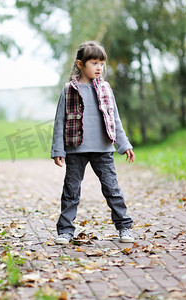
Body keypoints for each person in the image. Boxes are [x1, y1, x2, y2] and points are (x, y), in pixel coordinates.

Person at [51, 41, 135, 245]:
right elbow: (59, 121)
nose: (99, 67)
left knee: (112, 189)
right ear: (80, 64)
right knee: (71, 191)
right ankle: (65, 231)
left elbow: (115, 119)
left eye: (101, 63)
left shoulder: (106, 89)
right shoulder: (69, 90)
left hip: (103, 149)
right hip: (76, 149)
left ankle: (124, 227)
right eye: (94, 63)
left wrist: (124, 145)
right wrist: (58, 150)